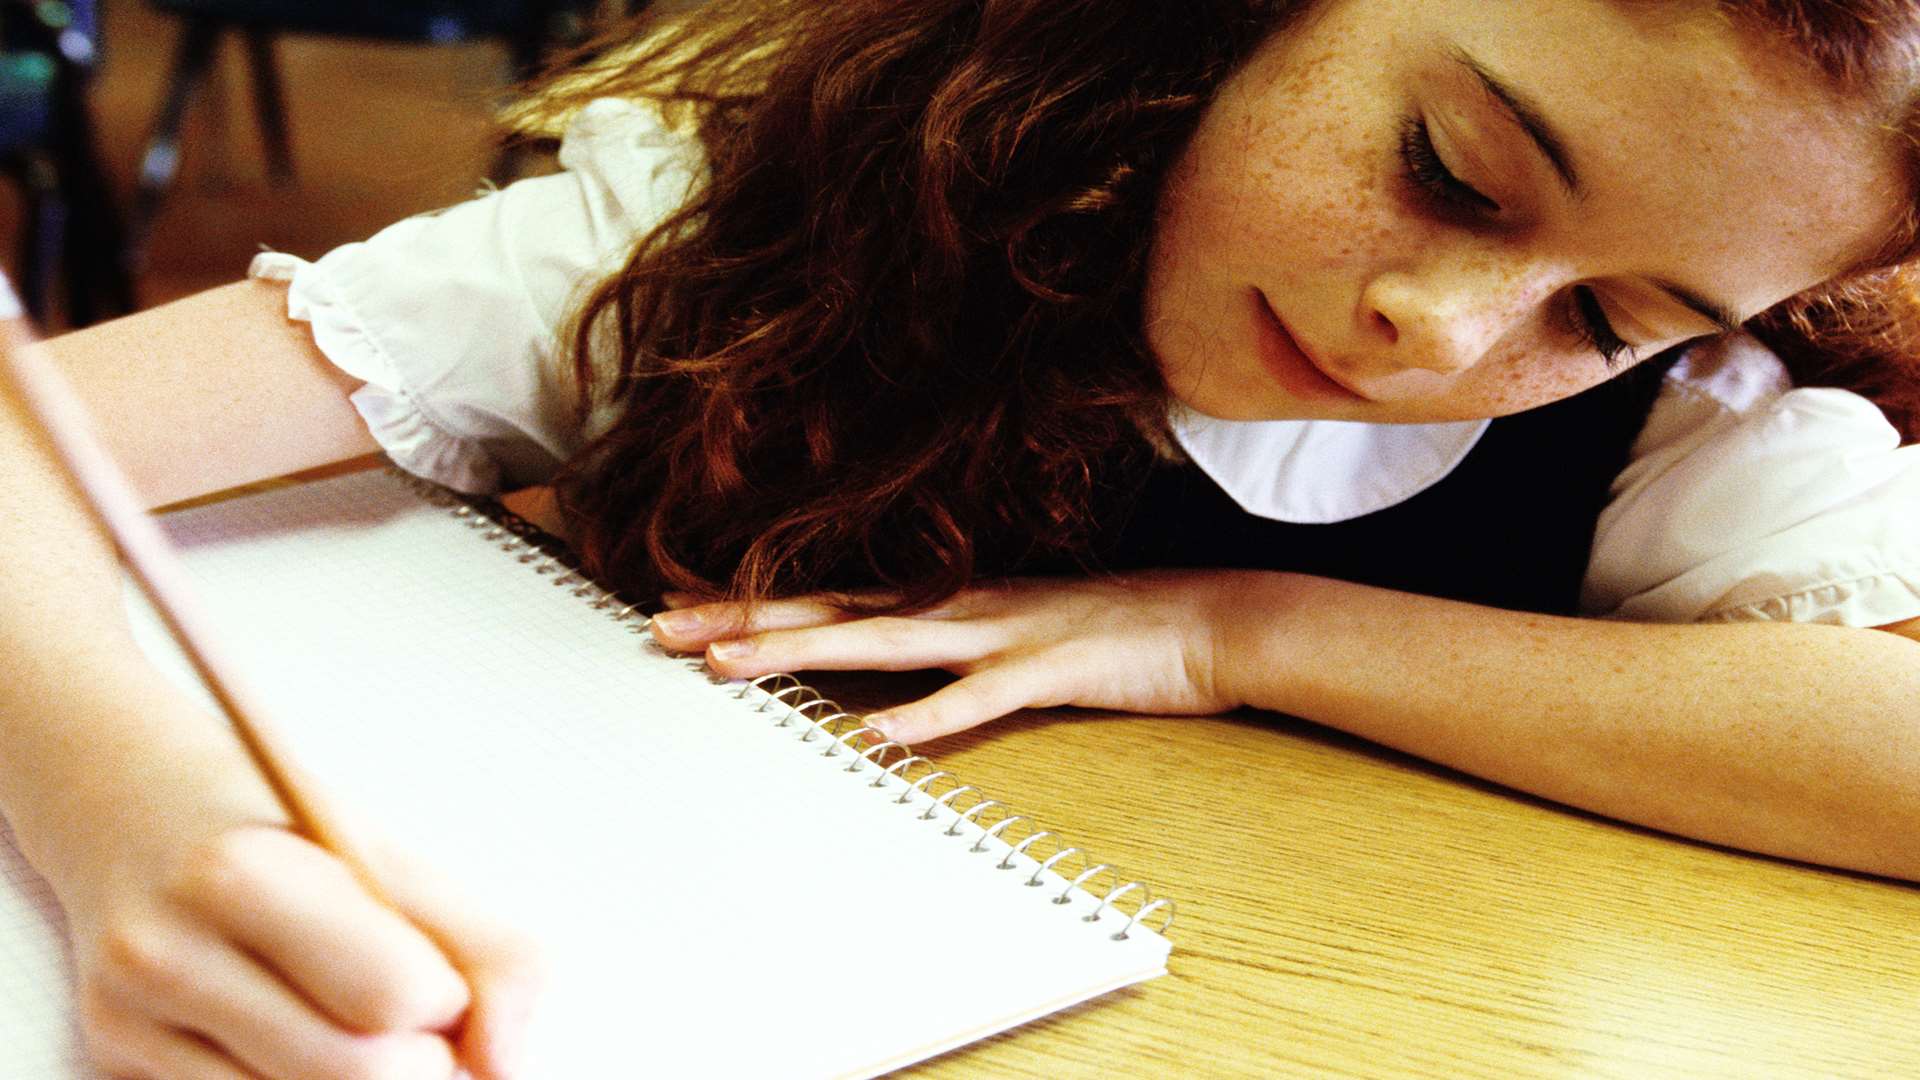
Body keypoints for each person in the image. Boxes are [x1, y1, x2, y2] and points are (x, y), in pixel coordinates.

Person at [3, 0, 1918, 1075]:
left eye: (1607, 315)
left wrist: (1234, 631)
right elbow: (33, 448)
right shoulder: (713, 223)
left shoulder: (1684, 428)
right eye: (1454, 172)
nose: (1446, 333)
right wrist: (140, 818)